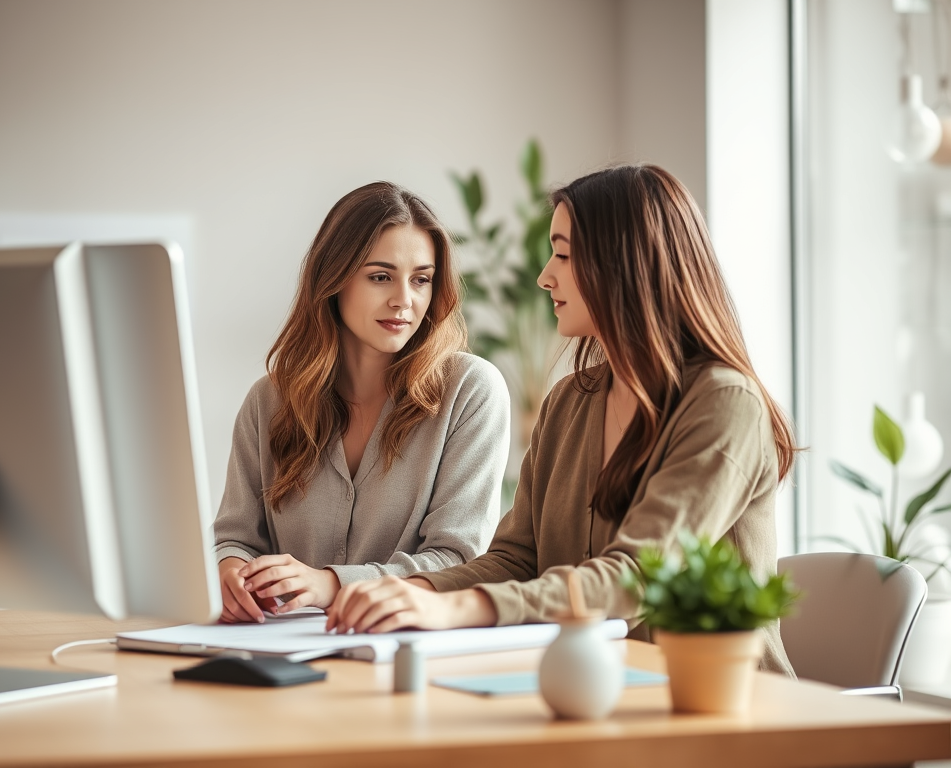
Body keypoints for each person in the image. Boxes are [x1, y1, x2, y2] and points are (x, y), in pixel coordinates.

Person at [326, 165, 797, 675]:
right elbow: (515, 560)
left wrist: (452, 608)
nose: (545, 274)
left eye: (565, 255)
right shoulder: (570, 402)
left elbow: (637, 576)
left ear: (627, 267)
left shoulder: (724, 404)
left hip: (717, 709)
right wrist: (405, 594)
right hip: (596, 690)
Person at [214, 181, 511, 624]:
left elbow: (459, 559)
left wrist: (330, 583)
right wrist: (233, 572)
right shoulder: (270, 400)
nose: (404, 301)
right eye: (380, 277)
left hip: (408, 653)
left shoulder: (471, 391)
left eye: (422, 280)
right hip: (279, 650)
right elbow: (237, 537)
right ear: (333, 280)